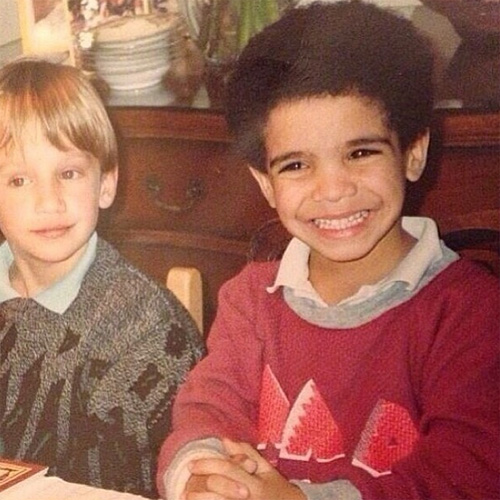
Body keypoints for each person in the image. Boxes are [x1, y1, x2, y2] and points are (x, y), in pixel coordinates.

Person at [156, 2, 499, 499]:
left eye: (360, 153)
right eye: (296, 166)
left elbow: (466, 472)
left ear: (413, 152)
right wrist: (200, 477)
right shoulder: (250, 300)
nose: (333, 190)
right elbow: (208, 411)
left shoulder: (469, 310)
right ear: (266, 184)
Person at [0, 58, 204, 498]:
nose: (49, 201)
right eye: (18, 180)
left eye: (68, 173)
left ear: (106, 183)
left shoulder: (144, 331)